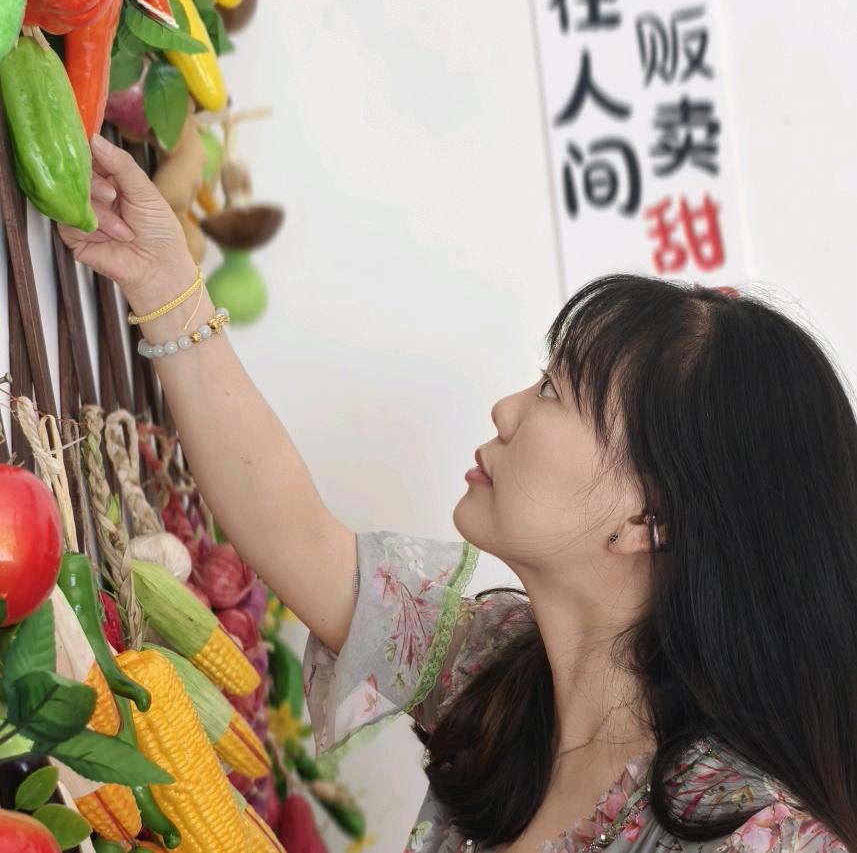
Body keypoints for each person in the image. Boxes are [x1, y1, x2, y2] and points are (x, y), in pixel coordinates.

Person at [59, 133, 856, 853]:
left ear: (648, 518)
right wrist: (165, 283)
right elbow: (297, 535)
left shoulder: (761, 838)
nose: (505, 410)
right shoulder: (496, 672)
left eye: (554, 391)